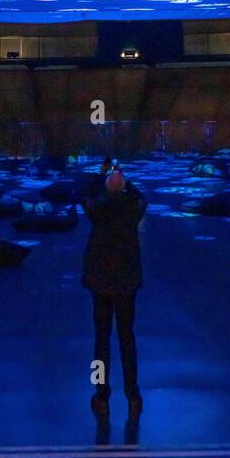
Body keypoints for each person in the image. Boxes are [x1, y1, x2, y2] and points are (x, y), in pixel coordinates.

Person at [81, 163, 147, 420]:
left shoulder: (96, 210)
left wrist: (102, 177)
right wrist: (125, 182)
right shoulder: (133, 208)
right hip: (127, 282)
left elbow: (84, 190)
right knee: (127, 338)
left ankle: (101, 395)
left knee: (101, 339)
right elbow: (142, 197)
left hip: (100, 281)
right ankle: (133, 395)